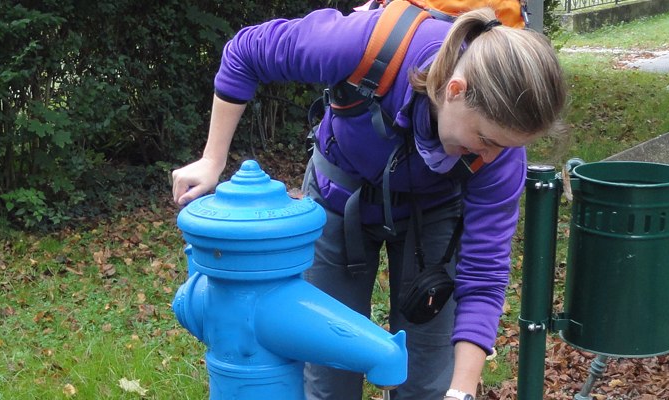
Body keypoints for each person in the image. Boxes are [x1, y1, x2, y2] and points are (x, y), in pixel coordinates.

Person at [169, 5, 567, 400]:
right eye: (487, 140)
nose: (492, 158)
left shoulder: (502, 155)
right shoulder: (365, 44)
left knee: (426, 381)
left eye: (507, 147)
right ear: (455, 91)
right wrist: (213, 158)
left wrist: (460, 392)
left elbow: (483, 276)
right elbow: (246, 52)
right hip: (339, 198)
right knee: (326, 370)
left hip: (433, 214)